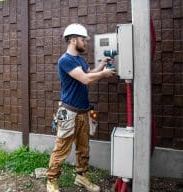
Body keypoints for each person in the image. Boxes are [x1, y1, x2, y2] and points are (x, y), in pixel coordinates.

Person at [46, 23, 116, 192]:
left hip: (83, 112)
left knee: (83, 149)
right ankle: (51, 180)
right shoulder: (65, 60)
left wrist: (102, 65)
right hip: (69, 112)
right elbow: (85, 79)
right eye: (84, 40)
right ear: (73, 40)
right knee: (62, 148)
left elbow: (88, 73)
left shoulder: (80, 60)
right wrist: (103, 74)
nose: (86, 43)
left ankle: (82, 177)